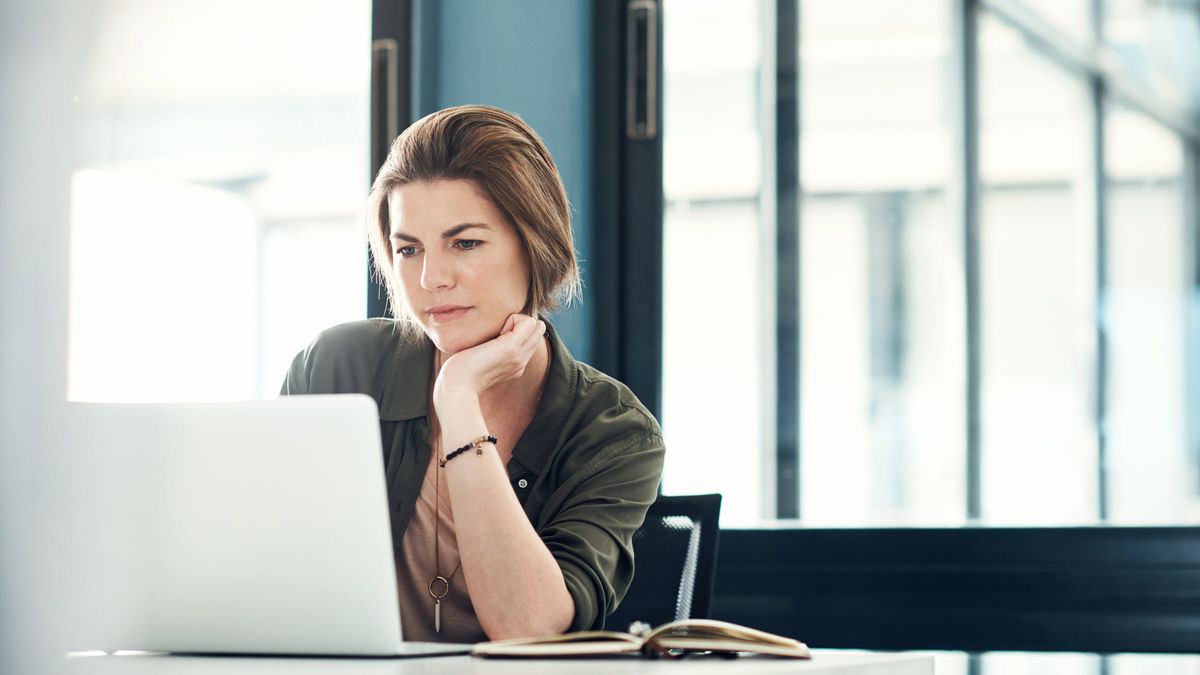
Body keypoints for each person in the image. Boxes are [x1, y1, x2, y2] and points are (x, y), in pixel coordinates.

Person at [280, 105, 665, 643]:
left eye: (465, 243)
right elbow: (265, 570)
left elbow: (527, 627)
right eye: (408, 249)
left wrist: (459, 400)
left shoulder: (613, 432)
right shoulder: (339, 367)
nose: (431, 278)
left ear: (536, 247)